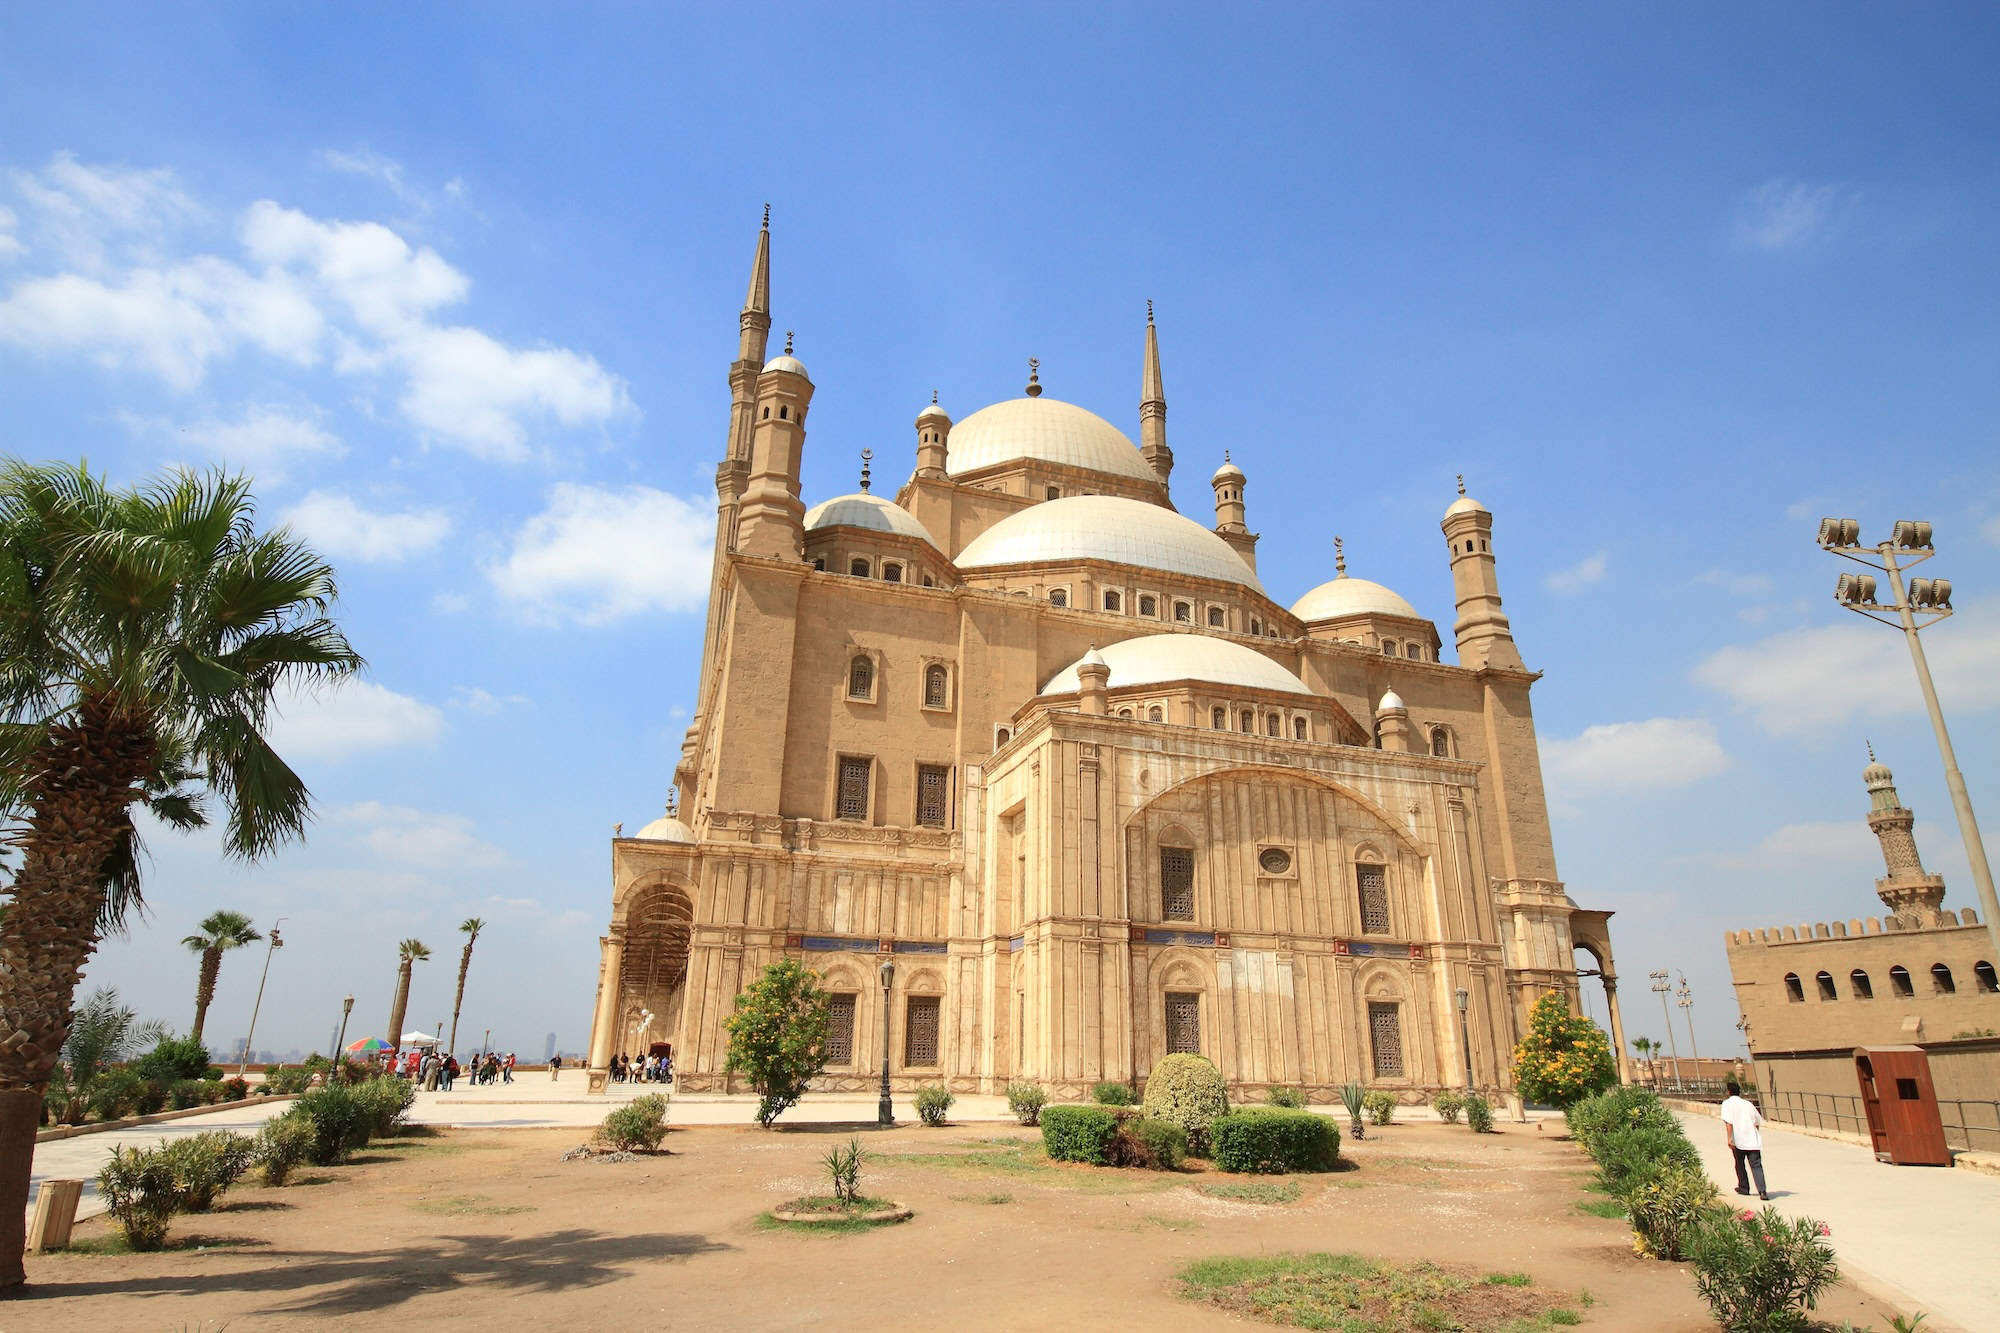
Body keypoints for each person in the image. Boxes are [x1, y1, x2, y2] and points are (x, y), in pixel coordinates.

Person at [1720, 1081, 1768, 1200]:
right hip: (1752, 1140)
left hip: (1738, 1140)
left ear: (1728, 1092)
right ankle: (1762, 1191)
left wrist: (1729, 1138)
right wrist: (1754, 1133)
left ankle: (1744, 1187)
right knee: (1756, 1166)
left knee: (1739, 1164)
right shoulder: (1748, 1104)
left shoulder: (1727, 1104)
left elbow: (1728, 1122)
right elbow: (1757, 1122)